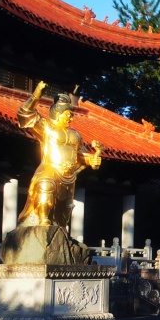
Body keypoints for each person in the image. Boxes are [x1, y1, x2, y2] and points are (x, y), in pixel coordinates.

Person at [16, 81, 102, 228]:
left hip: (68, 175)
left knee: (64, 211)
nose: (71, 118)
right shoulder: (47, 127)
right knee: (45, 186)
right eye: (68, 115)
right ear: (58, 114)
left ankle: (57, 228)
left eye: (72, 115)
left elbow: (81, 155)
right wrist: (37, 94)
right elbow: (25, 113)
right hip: (50, 169)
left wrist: (92, 159)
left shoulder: (76, 135)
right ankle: (43, 219)